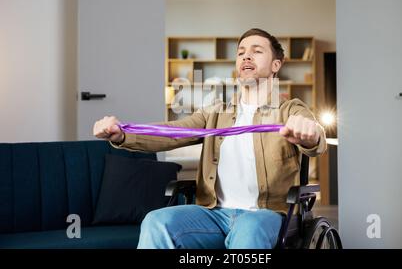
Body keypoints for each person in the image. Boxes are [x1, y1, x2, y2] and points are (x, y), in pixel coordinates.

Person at [93, 28, 327, 249]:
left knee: (249, 227)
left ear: (276, 64)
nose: (246, 57)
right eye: (241, 52)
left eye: (257, 51)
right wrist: (122, 134)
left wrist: (308, 132)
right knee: (157, 221)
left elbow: (315, 136)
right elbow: (173, 132)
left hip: (266, 215)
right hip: (213, 214)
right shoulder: (215, 112)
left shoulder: (289, 110)